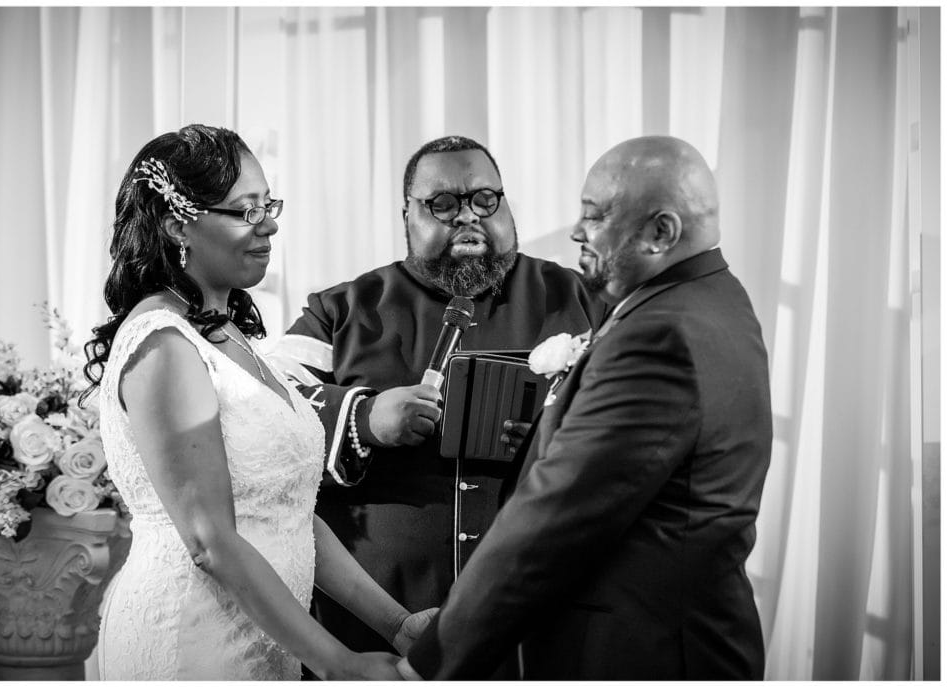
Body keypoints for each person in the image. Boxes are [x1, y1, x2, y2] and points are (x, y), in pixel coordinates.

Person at [400, 135, 773, 680]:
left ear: (661, 232)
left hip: (646, 652)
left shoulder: (658, 335)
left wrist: (428, 664)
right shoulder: (714, 298)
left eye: (595, 217)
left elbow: (553, 522)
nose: (576, 231)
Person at [84, 124, 432, 680]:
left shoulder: (232, 338)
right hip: (190, 639)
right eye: (245, 211)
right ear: (179, 224)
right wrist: (339, 663)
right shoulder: (165, 345)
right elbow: (209, 540)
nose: (269, 224)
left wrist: (395, 624)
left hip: (263, 638)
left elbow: (288, 511)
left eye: (268, 205)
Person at [268, 135, 604, 675]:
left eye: (484, 199)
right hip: (377, 621)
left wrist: (549, 431)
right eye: (442, 204)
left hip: (537, 614)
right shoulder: (341, 309)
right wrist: (365, 417)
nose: (467, 217)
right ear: (408, 215)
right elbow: (269, 412)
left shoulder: (579, 299)